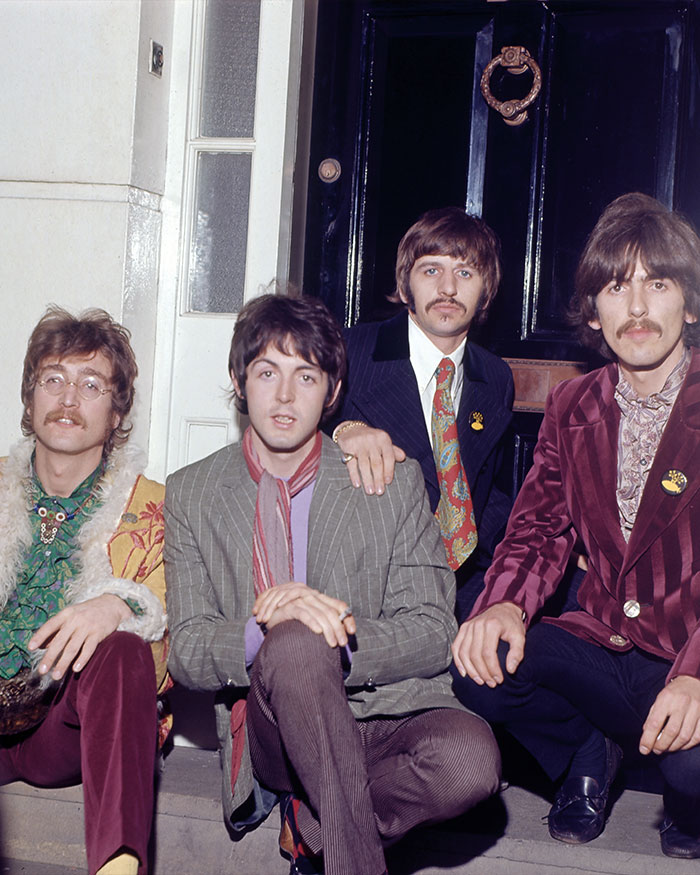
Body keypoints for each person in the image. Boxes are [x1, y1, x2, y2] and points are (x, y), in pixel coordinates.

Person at [164, 293, 500, 875]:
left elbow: (432, 627)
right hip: (275, 728)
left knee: (472, 763)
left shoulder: (391, 481)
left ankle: (316, 827)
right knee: (292, 639)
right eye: (267, 372)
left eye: (306, 375)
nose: (286, 396)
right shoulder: (192, 492)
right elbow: (188, 649)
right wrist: (266, 629)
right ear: (240, 382)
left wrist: (337, 634)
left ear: (334, 388)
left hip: (384, 712)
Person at [451, 193, 700, 858]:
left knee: (691, 767)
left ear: (692, 303)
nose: (638, 308)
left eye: (659, 283)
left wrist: (697, 673)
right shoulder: (573, 404)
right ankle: (591, 750)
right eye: (617, 287)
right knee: (480, 660)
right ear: (594, 309)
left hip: (687, 651)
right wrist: (503, 603)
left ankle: (686, 798)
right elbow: (539, 528)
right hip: (602, 644)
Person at [0, 307, 168, 875]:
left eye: (91, 385)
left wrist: (118, 603)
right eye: (53, 379)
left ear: (117, 411)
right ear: (29, 399)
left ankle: (118, 866)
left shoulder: (152, 510)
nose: (68, 399)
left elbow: (169, 660)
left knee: (123, 647)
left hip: (59, 726)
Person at [331, 207, 514, 619]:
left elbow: (484, 489)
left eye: (466, 273)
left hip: (467, 578)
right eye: (431, 270)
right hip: (372, 582)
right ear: (406, 283)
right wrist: (344, 430)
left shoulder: (495, 377)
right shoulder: (350, 351)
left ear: (487, 290)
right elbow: (293, 435)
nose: (448, 288)